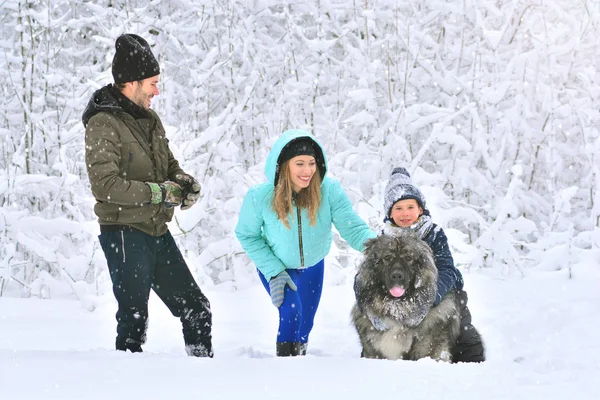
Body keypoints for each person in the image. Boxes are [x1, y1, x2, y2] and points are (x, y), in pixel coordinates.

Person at [82, 33, 212, 357]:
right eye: (152, 83)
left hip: (156, 231)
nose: (157, 90)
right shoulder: (103, 124)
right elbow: (105, 185)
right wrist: (159, 193)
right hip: (124, 233)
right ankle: (126, 387)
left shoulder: (150, 119)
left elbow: (168, 164)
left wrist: (182, 183)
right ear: (132, 82)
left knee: (198, 310)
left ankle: (206, 381)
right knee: (133, 323)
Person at [235, 129, 376, 357]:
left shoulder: (328, 191)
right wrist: (274, 271)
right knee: (292, 313)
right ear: (284, 166)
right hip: (278, 268)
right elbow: (247, 235)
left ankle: (298, 365)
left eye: (311, 163)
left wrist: (380, 248)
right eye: (299, 163)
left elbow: (353, 227)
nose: (307, 171)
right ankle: (286, 370)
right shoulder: (260, 197)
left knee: (305, 325)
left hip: (313, 268)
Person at [371, 166, 485, 362]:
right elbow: (369, 272)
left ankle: (472, 363)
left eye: (410, 207)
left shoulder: (432, 234)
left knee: (463, 332)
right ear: (390, 213)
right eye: (398, 208)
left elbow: (447, 269)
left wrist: (432, 297)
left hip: (443, 290)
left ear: (420, 209)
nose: (404, 213)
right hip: (399, 293)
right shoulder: (384, 239)